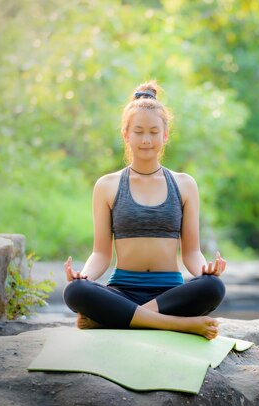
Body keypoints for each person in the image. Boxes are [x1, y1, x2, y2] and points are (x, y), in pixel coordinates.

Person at [62, 80, 226, 340]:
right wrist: (84, 275)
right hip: (122, 291)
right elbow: (101, 254)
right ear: (126, 135)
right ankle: (178, 325)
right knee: (75, 291)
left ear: (165, 135)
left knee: (214, 287)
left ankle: (116, 320)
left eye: (153, 131)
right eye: (138, 131)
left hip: (169, 294)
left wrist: (206, 270)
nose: (146, 139)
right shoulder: (107, 185)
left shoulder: (184, 185)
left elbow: (192, 253)